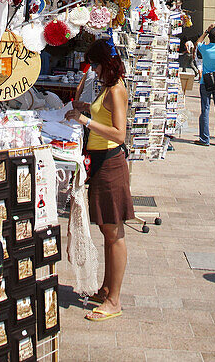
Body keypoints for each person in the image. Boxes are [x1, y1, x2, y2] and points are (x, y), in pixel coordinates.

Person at [66, 38, 133, 322]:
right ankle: (107, 288)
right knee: (107, 231)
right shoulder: (107, 87)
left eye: (95, 64)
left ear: (106, 64)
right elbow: (101, 113)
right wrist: (84, 106)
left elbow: (119, 133)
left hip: (111, 164)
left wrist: (86, 122)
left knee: (114, 233)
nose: (92, 69)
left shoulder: (116, 90)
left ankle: (114, 300)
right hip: (101, 164)